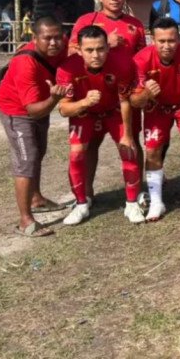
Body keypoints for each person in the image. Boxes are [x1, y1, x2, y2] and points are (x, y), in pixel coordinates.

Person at [70, 0, 147, 201]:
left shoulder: (135, 24)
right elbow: (71, 52)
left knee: (131, 140)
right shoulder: (86, 21)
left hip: (124, 94)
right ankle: (86, 193)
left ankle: (137, 191)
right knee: (90, 143)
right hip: (93, 93)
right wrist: (107, 44)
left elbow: (142, 57)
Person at [56, 25, 143, 226]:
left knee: (128, 149)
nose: (96, 55)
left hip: (114, 111)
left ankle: (131, 203)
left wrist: (128, 135)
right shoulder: (67, 68)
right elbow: (64, 109)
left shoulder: (122, 63)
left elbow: (125, 101)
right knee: (76, 153)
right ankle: (81, 203)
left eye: (100, 49)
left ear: (108, 47)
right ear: (79, 50)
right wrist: (84, 102)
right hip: (85, 113)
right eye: (89, 50)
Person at [0, 15, 70, 237]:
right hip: (18, 110)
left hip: (41, 103)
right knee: (26, 161)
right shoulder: (25, 63)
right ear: (35, 38)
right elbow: (33, 111)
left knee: (38, 152)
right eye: (47, 38)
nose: (54, 43)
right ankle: (25, 220)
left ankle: (36, 198)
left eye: (58, 37)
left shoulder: (62, 46)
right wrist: (55, 99)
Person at [131, 18, 180, 221]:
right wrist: (146, 94)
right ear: (152, 40)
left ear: (179, 39)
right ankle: (157, 202)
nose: (166, 46)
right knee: (152, 150)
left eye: (171, 40)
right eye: (161, 41)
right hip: (157, 108)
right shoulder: (140, 59)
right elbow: (135, 101)